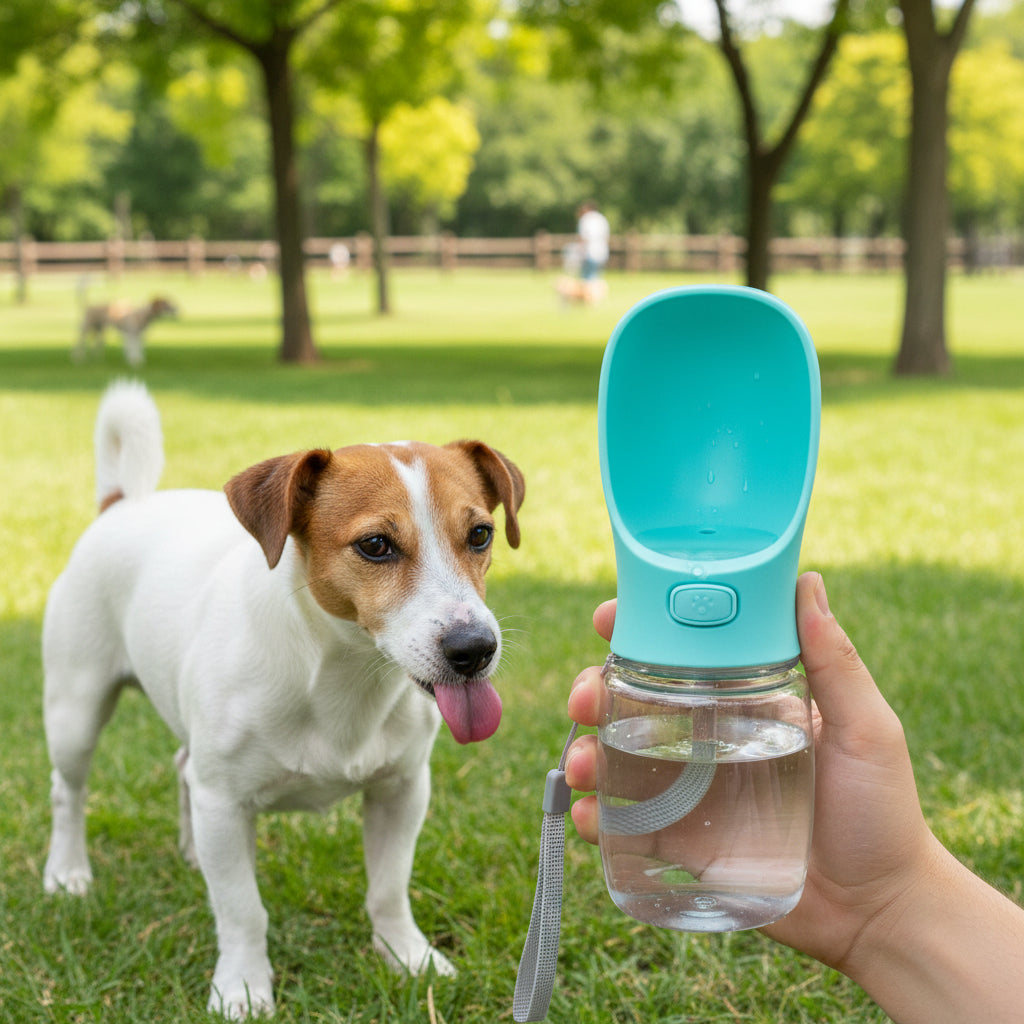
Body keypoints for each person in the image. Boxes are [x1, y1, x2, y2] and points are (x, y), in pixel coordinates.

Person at [564, 572, 1024, 1023]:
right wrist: (892, 905)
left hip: (762, 675)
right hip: (648, 672)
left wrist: (890, 893)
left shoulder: (781, 685)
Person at [574, 200, 610, 304]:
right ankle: (596, 298)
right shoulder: (602, 219)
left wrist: (580, 251)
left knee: (587, 279)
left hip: (589, 252)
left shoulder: (585, 219)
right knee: (596, 277)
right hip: (601, 252)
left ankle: (588, 300)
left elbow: (584, 237)